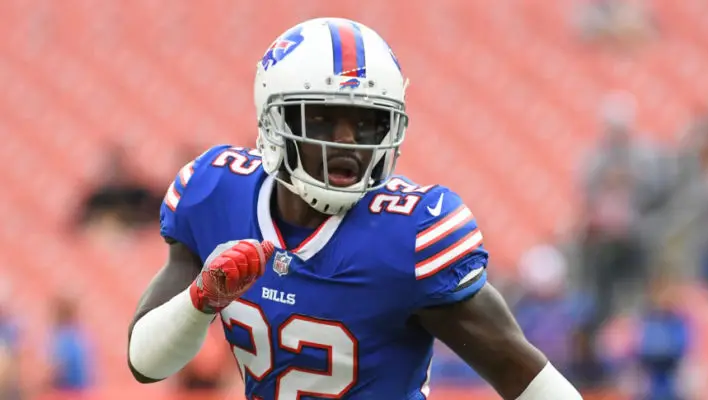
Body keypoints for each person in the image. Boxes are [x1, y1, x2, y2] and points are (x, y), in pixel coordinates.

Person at [127, 17, 582, 400]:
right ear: (275, 123)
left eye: (368, 123)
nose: (345, 141)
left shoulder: (411, 235)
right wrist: (200, 301)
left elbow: (523, 375)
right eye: (323, 116)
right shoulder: (214, 193)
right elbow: (144, 365)